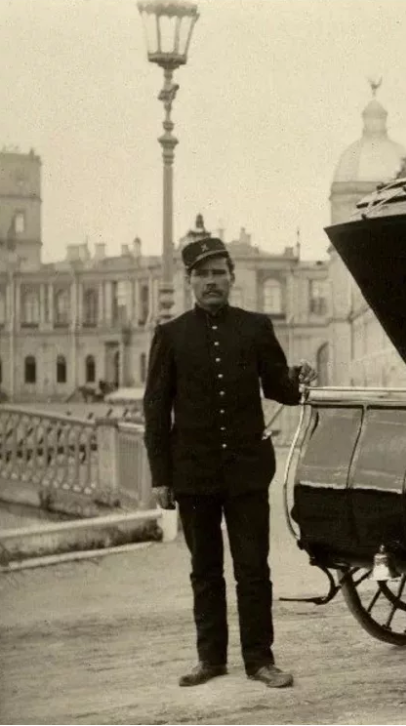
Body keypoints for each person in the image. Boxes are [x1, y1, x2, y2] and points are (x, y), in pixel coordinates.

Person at [143, 237, 316, 689]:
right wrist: (161, 476)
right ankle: (210, 659)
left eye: (218, 273)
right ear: (189, 281)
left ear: (232, 278)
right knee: (205, 570)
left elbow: (279, 388)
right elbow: (156, 410)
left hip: (246, 472)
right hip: (193, 473)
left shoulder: (256, 327)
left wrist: (298, 378)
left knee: (253, 568)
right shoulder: (170, 335)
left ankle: (260, 660)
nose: (211, 281)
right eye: (202, 274)